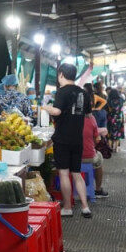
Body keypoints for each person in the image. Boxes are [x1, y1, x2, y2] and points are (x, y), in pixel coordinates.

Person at [41, 63, 92, 218]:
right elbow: (88, 114)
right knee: (76, 173)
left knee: (64, 173)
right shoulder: (83, 92)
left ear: (61, 74)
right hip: (77, 139)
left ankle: (68, 207)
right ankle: (85, 207)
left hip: (63, 138)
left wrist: (46, 107)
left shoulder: (62, 91)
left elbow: (57, 111)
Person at [81, 113, 108, 198]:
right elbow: (97, 139)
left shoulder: (70, 117)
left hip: (71, 156)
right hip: (87, 156)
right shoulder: (91, 118)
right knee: (99, 156)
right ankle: (98, 189)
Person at [106, 87, 124, 151]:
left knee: (110, 131)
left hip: (111, 118)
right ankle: (116, 148)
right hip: (119, 117)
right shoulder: (121, 99)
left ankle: (110, 147)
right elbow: (121, 108)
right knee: (117, 131)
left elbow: (107, 108)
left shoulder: (109, 100)